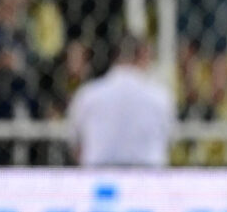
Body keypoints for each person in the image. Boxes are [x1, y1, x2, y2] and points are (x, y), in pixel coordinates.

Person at [67, 35, 174, 167]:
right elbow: (168, 141)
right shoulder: (159, 97)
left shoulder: (88, 95)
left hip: (100, 176)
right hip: (147, 177)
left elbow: (76, 145)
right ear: (143, 55)